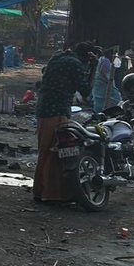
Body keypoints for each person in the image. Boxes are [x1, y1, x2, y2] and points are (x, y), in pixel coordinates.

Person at [33, 42, 94, 203]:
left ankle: (40, 191)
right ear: (87, 56)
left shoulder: (59, 56)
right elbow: (86, 90)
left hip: (44, 108)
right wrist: (92, 67)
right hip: (57, 110)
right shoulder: (75, 64)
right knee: (57, 151)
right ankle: (53, 193)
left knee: (45, 150)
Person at [92, 45, 121, 112]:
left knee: (100, 100)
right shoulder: (106, 61)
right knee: (115, 98)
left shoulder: (102, 59)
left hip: (99, 83)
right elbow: (105, 73)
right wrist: (110, 82)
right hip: (104, 83)